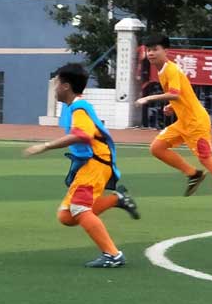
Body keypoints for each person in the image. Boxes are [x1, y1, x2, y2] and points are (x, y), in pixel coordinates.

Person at [23, 63, 139, 268]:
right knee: (66, 216)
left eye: (57, 83)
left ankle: (113, 254)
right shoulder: (74, 107)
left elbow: (82, 135)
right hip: (91, 164)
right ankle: (116, 199)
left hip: (95, 165)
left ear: (66, 86)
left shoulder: (79, 107)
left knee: (78, 208)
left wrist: (46, 146)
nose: (55, 87)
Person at [136, 35, 212, 211]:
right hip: (184, 122)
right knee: (157, 148)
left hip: (196, 123)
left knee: (206, 158)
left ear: (166, 51)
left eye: (155, 49)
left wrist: (149, 98)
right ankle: (193, 174)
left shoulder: (170, 69)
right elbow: (182, 94)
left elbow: (175, 93)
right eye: (148, 50)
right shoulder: (163, 70)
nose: (151, 53)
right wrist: (171, 105)